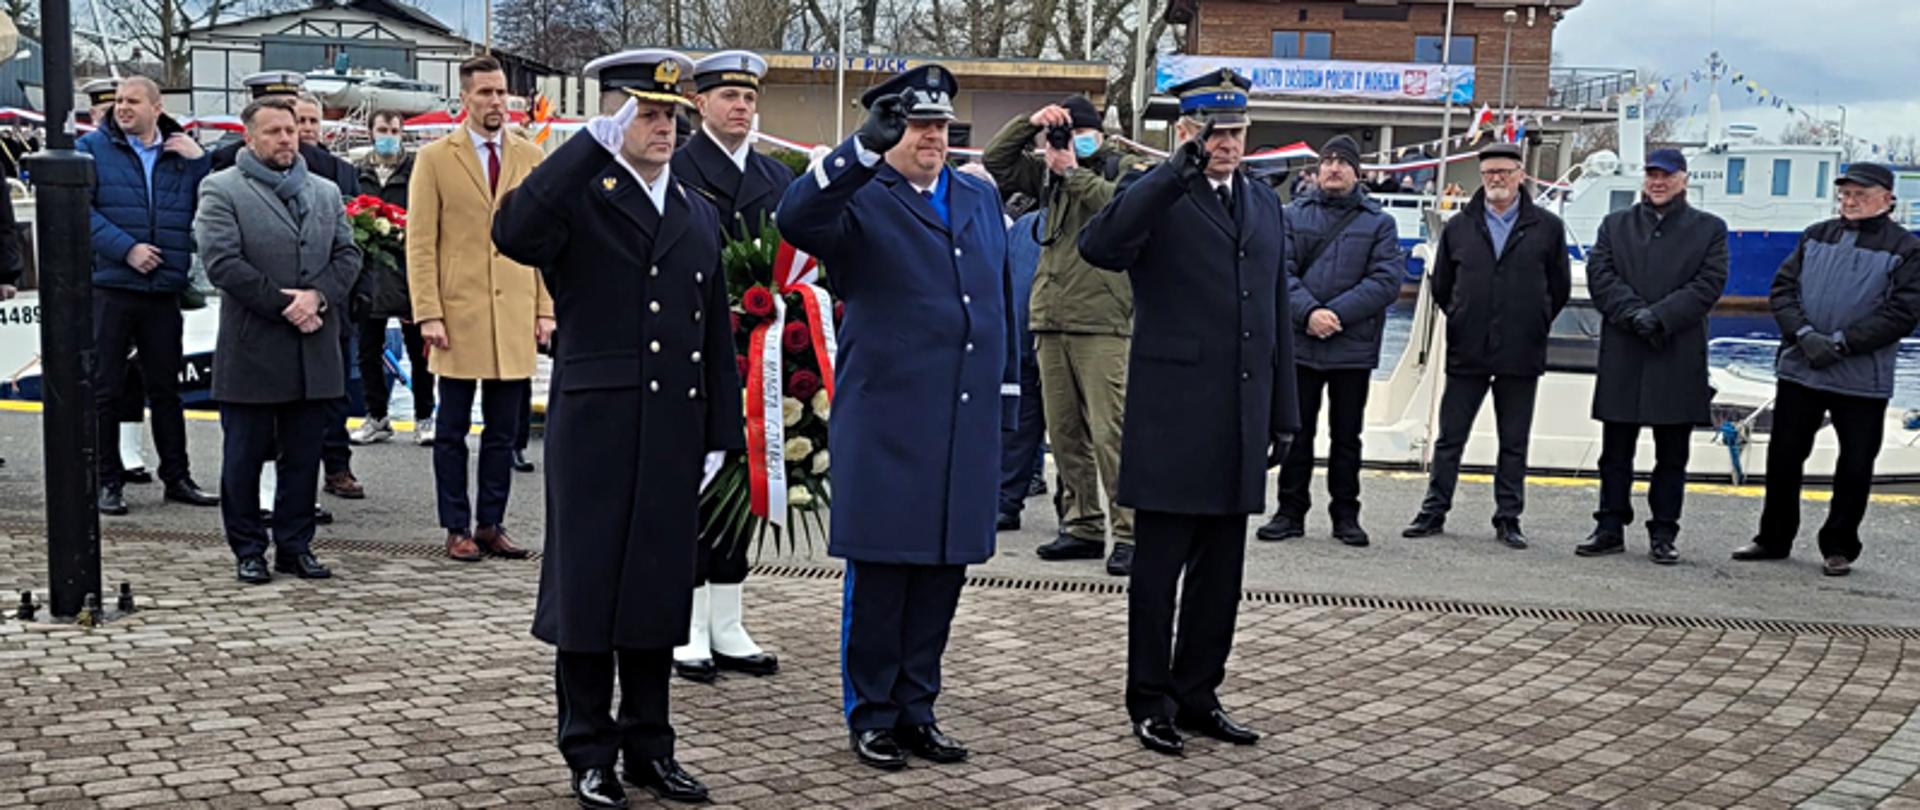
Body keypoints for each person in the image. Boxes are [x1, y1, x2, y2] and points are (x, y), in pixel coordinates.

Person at [493, 48, 742, 807]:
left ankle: (650, 746)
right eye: (647, 113)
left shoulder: (697, 208)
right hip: (597, 421)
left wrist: (720, 431)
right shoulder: (583, 192)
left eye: (670, 114)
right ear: (616, 116)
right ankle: (588, 751)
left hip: (672, 424)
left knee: (653, 593)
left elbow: (715, 331)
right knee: (589, 591)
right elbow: (514, 232)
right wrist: (582, 148)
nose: (661, 127)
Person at [777, 63, 1017, 772]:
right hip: (889, 422)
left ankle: (917, 708)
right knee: (882, 580)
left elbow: (998, 303)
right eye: (917, 126)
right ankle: (873, 713)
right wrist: (857, 150)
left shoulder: (976, 197)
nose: (932, 139)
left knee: (942, 576)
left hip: (961, 422)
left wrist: (1005, 409)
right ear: (891, 130)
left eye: (941, 126)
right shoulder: (862, 196)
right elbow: (797, 219)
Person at [1079, 68, 1298, 757]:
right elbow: (1100, 245)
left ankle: (1199, 692)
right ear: (1185, 131)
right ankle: (1150, 700)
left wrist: (1282, 410)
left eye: (1234, 132)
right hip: (1173, 418)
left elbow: (1272, 313)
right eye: (1212, 132)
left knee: (1220, 578)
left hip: (1239, 415)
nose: (1224, 144)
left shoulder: (1263, 204)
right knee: (1158, 574)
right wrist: (1173, 173)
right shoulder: (1159, 194)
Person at [195, 95, 361, 584]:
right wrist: (284, 303)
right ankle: (248, 548)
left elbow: (347, 256)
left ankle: (295, 545)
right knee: (244, 457)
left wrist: (317, 297)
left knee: (303, 456)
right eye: (273, 131)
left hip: (314, 346)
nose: (285, 138)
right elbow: (222, 262)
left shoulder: (326, 191)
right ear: (250, 137)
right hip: (253, 346)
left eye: (289, 130)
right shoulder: (221, 189)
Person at [667, 49, 795, 683]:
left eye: (748, 99)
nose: (741, 108)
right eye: (728, 98)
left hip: (760, 355)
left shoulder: (776, 176)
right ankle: (684, 622)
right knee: (695, 481)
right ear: (700, 105)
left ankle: (727, 618)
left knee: (745, 484)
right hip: (694, 348)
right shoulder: (678, 168)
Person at [1734, 162, 1920, 577]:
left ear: (1887, 200)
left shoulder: (1906, 249)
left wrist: (1841, 343)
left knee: (1855, 464)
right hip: (1802, 369)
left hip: (1861, 378)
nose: (1850, 202)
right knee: (1784, 457)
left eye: (1860, 195)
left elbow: (1903, 312)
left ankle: (1839, 546)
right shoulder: (1815, 235)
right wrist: (1803, 334)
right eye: (1846, 194)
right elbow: (1782, 290)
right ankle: (1773, 537)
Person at [983, 94, 1136, 575]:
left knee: (1111, 433)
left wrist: (1073, 170)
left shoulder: (1121, 169)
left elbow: (1122, 211)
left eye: (1076, 132)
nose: (1068, 143)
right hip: (1050, 318)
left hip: (1103, 320)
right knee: (1065, 432)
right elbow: (995, 162)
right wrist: (1030, 125)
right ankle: (1082, 524)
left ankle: (1131, 532)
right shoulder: (1047, 171)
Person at [408, 54, 550, 562]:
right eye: (485, 93)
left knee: (504, 430)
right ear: (464, 99)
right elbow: (421, 242)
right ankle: (456, 525)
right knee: (451, 429)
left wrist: (545, 308)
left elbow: (545, 241)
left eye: (501, 93)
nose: (496, 102)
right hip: (458, 312)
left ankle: (491, 522)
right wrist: (428, 311)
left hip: (513, 310)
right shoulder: (436, 159)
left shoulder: (530, 157)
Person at [1401, 144, 1570, 549]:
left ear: (1521, 175)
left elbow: (1558, 287)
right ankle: (1434, 510)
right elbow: (1441, 285)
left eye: (1504, 172)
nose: (1496, 179)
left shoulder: (1547, 227)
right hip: (1468, 347)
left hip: (1521, 349)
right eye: (1490, 172)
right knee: (1449, 438)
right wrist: (1461, 314)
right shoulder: (1459, 227)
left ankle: (1508, 518)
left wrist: (1534, 320)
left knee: (1513, 440)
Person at [77, 75, 221, 516]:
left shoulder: (181, 153)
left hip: (163, 289)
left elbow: (209, 202)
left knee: (166, 390)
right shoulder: (91, 149)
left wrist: (202, 162)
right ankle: (108, 481)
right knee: (106, 388)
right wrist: (128, 249)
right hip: (113, 286)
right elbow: (81, 210)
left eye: (133, 101)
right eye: (119, 101)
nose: (123, 108)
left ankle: (176, 476)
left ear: (156, 107)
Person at [1576, 148, 1728, 565]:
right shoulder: (1615, 225)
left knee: (1672, 453)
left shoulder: (1709, 229)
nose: (1657, 182)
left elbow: (1708, 285)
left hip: (1676, 350)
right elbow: (1600, 276)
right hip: (1625, 348)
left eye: (1666, 175)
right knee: (1615, 450)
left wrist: (1659, 317)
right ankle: (1609, 525)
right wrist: (1633, 314)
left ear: (1683, 179)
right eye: (1651, 175)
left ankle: (1664, 531)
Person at [1257, 134, 1400, 547]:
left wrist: (1335, 315)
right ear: (1317, 170)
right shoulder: (1290, 216)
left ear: (1358, 171)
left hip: (1351, 347)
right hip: (1301, 343)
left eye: (1343, 162)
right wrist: (1309, 313)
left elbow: (1386, 280)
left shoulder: (1379, 223)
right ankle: (1289, 512)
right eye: (1328, 161)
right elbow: (1276, 271)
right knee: (1294, 432)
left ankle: (1346, 515)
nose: (1334, 168)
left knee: (1347, 435)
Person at [347, 109, 436, 447]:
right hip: (369, 273)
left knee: (419, 351)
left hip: (408, 271)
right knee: (368, 351)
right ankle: (377, 416)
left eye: (394, 129)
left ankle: (424, 417)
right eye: (383, 129)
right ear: (370, 132)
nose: (389, 134)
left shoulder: (416, 172)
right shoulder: (359, 173)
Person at [997, 203, 1050, 531]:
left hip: (1068, 341)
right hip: (1025, 341)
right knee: (1018, 428)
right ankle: (1005, 501)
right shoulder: (1026, 226)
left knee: (1074, 436)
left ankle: (1078, 517)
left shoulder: (1097, 219)